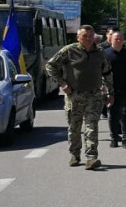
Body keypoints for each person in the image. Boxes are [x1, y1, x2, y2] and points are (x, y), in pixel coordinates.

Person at [45, 24, 113, 169]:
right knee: (74, 127)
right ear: (78, 37)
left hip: (94, 95)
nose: (88, 39)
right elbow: (50, 66)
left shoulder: (100, 53)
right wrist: (62, 83)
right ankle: (75, 154)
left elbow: (107, 73)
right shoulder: (69, 51)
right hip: (74, 95)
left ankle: (91, 157)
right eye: (85, 36)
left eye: (90, 36)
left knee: (91, 126)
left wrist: (109, 93)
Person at [103, 30, 126, 149]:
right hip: (110, 89)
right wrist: (101, 86)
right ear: (111, 40)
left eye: (120, 39)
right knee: (112, 114)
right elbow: (99, 72)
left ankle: (125, 139)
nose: (118, 41)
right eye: (116, 39)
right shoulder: (105, 54)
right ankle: (113, 138)